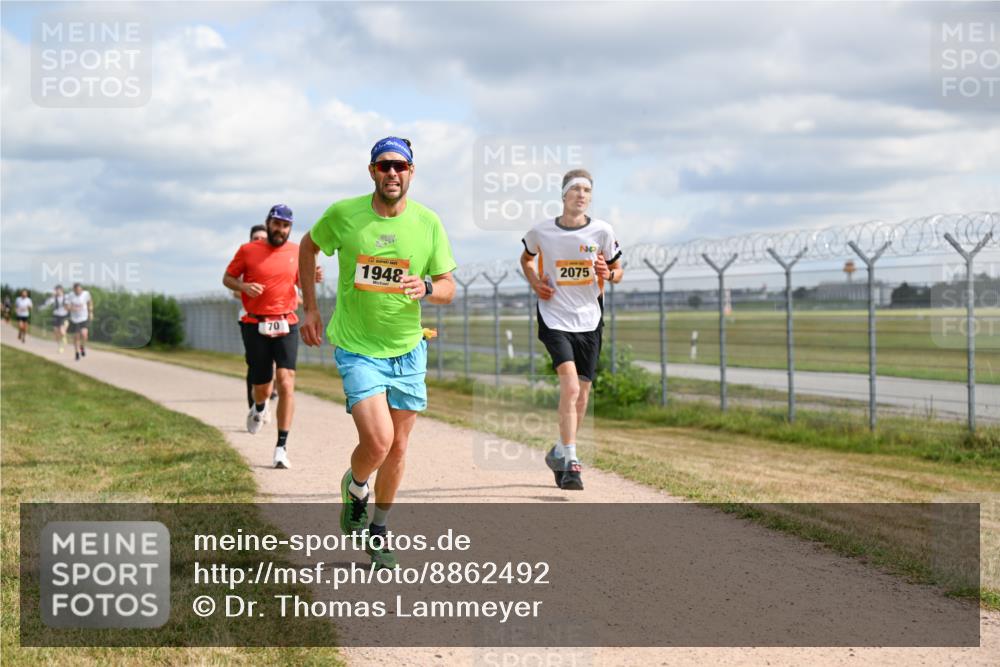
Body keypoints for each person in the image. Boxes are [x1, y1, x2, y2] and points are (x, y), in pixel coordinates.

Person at [300, 136, 456, 569]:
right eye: (384, 166)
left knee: (399, 448)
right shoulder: (344, 215)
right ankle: (356, 488)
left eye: (400, 166)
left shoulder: (428, 223)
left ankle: (379, 529)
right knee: (379, 441)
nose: (392, 173)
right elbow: (308, 246)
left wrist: (425, 286)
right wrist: (310, 308)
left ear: (411, 172)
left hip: (407, 349)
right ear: (372, 171)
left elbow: (447, 286)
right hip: (357, 347)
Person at [519, 169, 623, 490]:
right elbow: (525, 259)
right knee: (571, 388)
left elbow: (617, 271)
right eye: (575, 189)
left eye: (587, 191)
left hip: (589, 319)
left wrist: (610, 272)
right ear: (563, 196)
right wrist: (536, 282)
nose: (581, 195)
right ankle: (572, 463)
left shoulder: (602, 231)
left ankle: (559, 452)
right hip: (554, 317)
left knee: (582, 395)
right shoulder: (543, 231)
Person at [224, 204, 320, 469]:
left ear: (290, 228)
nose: (280, 229)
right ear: (268, 224)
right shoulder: (248, 251)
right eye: (276, 224)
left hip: (286, 322)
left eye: (286, 225)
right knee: (262, 386)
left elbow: (303, 281)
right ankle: (258, 407)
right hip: (256, 324)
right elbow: (227, 278)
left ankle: (281, 446)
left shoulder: (296, 251)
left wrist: (314, 277)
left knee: (286, 381)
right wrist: (243, 285)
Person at [233, 224, 279, 413]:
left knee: (275, 360)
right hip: (249, 319)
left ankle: (268, 393)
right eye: (256, 238)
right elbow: (233, 290)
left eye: (263, 238)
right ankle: (255, 405)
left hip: (273, 318)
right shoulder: (246, 259)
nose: (259, 241)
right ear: (250, 240)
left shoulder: (274, 259)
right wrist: (247, 290)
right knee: (255, 364)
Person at [66, 283, 93, 361]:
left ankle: (82, 347)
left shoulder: (86, 294)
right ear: (74, 290)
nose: (79, 291)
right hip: (74, 319)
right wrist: (73, 308)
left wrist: (91, 312)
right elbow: (66, 306)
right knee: (76, 337)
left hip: (84, 317)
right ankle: (77, 353)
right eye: (77, 290)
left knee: (84, 335)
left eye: (80, 290)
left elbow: (90, 302)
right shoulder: (70, 296)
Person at [44, 284, 70, 352]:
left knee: (61, 331)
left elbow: (69, 305)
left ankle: (64, 339)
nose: (56, 292)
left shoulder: (66, 297)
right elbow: (47, 304)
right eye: (55, 290)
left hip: (64, 316)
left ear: (61, 290)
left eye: (57, 290)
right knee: (56, 333)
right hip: (56, 316)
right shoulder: (53, 298)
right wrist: (52, 297)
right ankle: (60, 346)